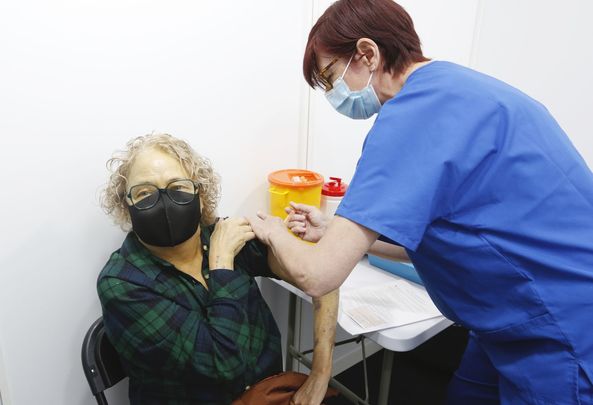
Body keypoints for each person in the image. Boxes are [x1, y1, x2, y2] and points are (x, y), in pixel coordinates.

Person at [247, 0, 593, 404]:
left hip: (560, 326)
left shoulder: (410, 117)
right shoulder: (461, 87)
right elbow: (447, 234)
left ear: (367, 53)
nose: (333, 94)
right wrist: (336, 232)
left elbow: (319, 275)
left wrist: (272, 232)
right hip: (508, 318)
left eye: (330, 77)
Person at [98, 133, 339, 405]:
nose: (164, 202)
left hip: (268, 395)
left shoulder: (224, 236)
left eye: (178, 187)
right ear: (126, 205)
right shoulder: (123, 283)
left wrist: (320, 373)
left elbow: (322, 273)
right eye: (144, 192)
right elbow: (223, 367)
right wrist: (222, 263)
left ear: (200, 198)